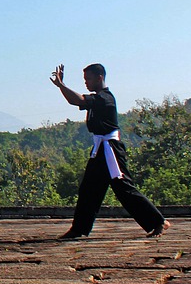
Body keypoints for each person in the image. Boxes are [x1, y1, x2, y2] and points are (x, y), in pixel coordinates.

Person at [50, 63, 170, 239]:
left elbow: (77, 100)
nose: (86, 83)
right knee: (89, 189)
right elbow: (78, 101)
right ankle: (79, 229)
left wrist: (61, 85)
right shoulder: (97, 98)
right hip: (100, 149)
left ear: (99, 78)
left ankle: (158, 221)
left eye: (88, 79)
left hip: (110, 149)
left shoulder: (105, 98)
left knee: (124, 188)